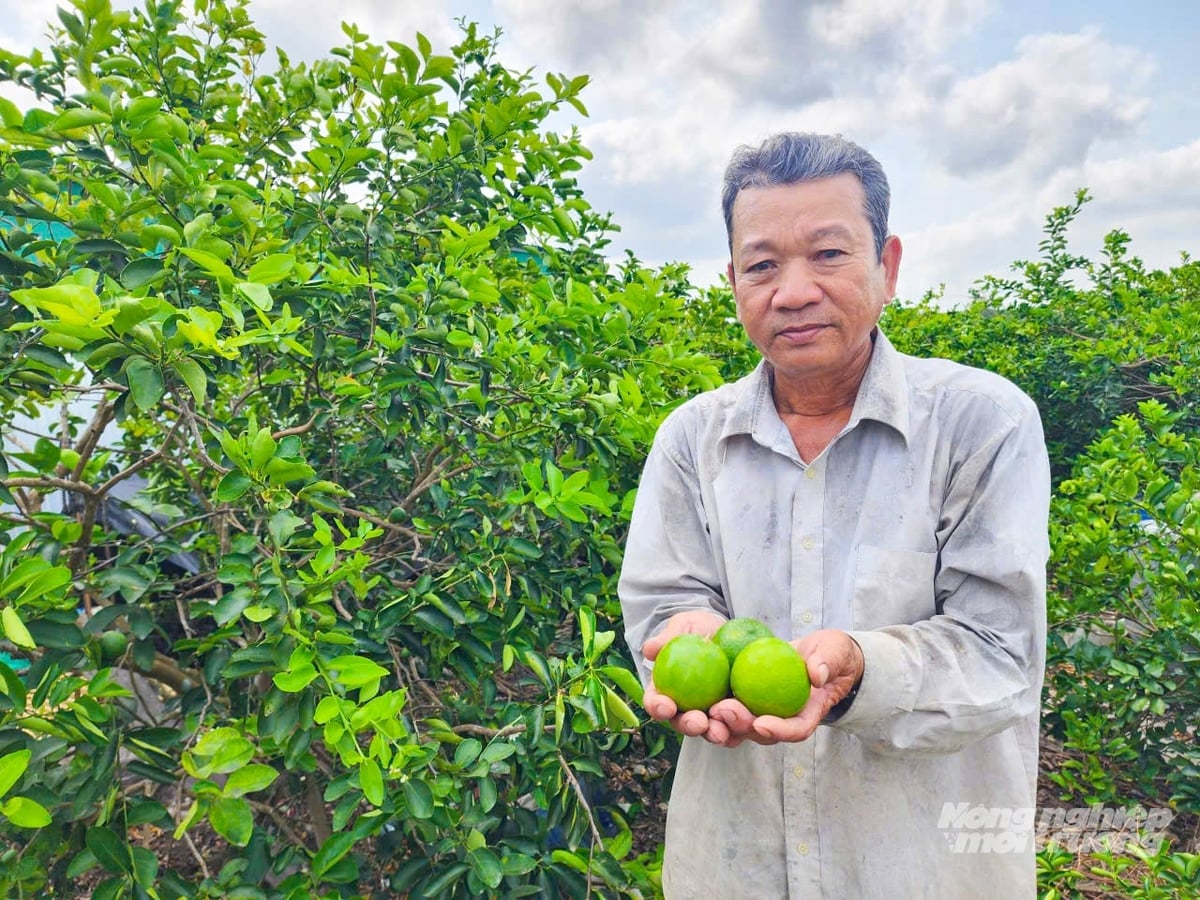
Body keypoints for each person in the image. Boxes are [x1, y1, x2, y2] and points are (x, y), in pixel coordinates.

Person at [618, 132, 1050, 898]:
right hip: (735, 867)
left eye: (827, 255)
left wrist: (860, 673)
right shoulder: (691, 440)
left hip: (925, 872)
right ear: (733, 283)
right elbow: (663, 600)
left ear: (887, 267)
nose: (792, 291)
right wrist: (681, 631)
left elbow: (1001, 655)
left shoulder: (983, 423)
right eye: (761, 265)